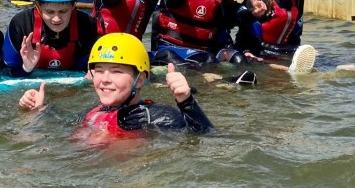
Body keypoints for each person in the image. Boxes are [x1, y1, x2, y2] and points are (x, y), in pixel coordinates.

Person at [19, 32, 214, 134]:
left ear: (140, 80)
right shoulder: (95, 112)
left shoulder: (150, 116)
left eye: (116, 71)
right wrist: (40, 109)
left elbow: (206, 135)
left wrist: (186, 101)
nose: (105, 79)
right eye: (100, 70)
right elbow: (63, 124)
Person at [3, 0, 98, 77]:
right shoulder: (21, 24)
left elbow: (88, 68)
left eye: (63, 11)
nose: (56, 19)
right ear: (38, 6)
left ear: (73, 6)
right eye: (50, 12)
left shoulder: (86, 24)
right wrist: (26, 68)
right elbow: (5, 73)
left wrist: (92, 71)